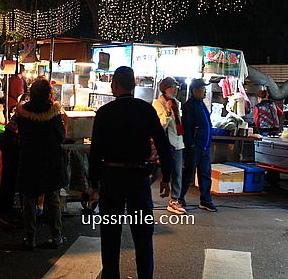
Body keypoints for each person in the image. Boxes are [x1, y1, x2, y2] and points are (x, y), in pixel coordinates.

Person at [89, 66, 172, 279]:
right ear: (133, 86)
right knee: (143, 236)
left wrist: (93, 184)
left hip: (111, 178)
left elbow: (95, 151)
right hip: (138, 178)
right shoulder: (145, 110)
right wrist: (167, 177)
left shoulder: (105, 112)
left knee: (110, 235)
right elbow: (163, 144)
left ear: (114, 85)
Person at [15, 77, 67, 249]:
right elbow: (60, 136)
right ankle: (56, 236)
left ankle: (30, 238)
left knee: (29, 198)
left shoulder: (22, 112)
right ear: (48, 94)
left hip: (29, 158)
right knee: (52, 198)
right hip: (50, 159)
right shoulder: (53, 112)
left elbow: (20, 133)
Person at [180, 78, 217, 212]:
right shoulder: (189, 106)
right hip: (195, 146)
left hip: (205, 146)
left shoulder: (201, 104)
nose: (205, 92)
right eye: (202, 90)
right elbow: (187, 127)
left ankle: (206, 200)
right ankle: (179, 198)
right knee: (188, 173)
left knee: (205, 174)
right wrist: (191, 145)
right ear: (195, 91)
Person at [152, 77, 186, 215]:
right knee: (154, 172)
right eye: (173, 87)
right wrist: (167, 112)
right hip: (164, 143)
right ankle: (133, 193)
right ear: (165, 89)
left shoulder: (177, 103)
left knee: (177, 172)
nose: (175, 90)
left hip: (177, 142)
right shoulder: (157, 104)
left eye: (176, 87)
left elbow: (179, 123)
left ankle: (174, 200)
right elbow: (160, 125)